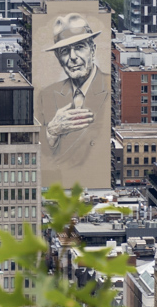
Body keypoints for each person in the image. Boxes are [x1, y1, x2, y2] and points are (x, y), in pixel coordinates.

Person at [39, 12, 107, 183]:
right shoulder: (46, 94)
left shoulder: (110, 88)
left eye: (79, 47)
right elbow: (39, 153)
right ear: (58, 58)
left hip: (93, 183)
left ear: (93, 50)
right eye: (65, 51)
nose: (73, 57)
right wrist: (51, 132)